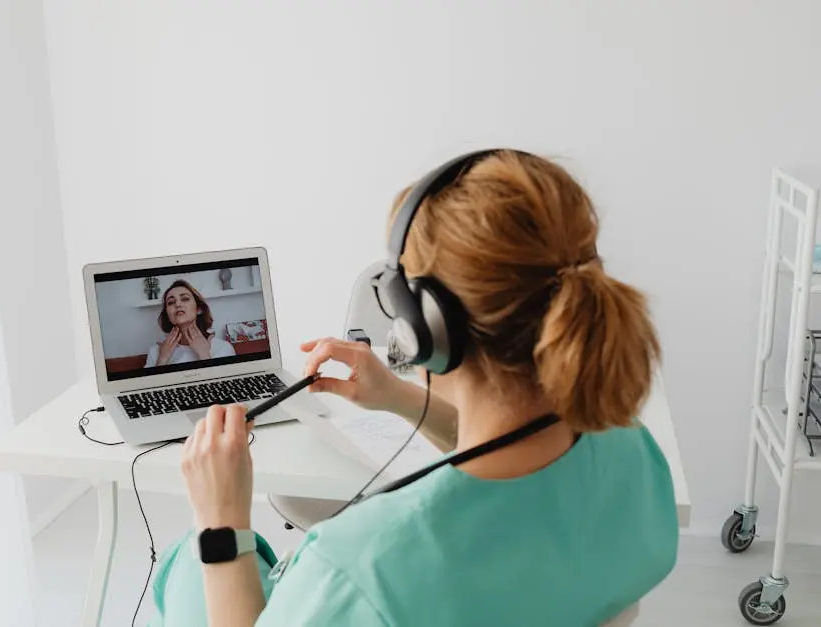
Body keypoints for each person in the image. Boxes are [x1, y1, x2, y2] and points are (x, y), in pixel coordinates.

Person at [148, 150, 679, 626]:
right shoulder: (634, 455)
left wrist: (220, 520)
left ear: (429, 328)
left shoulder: (361, 567)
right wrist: (400, 397)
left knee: (188, 564)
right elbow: (511, 455)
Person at [144, 280, 236, 367]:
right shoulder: (156, 352)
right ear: (167, 314)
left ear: (199, 309)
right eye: (171, 302)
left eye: (184, 299)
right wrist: (162, 360)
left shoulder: (223, 348)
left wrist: (205, 356)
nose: (178, 304)